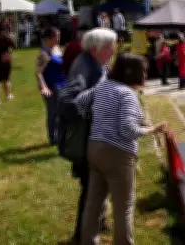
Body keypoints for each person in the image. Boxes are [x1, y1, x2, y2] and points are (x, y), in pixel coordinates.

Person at [74, 53, 167, 245]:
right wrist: (152, 129)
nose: (146, 74)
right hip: (117, 155)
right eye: (144, 70)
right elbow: (128, 130)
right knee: (123, 207)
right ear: (133, 73)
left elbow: (80, 101)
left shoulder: (103, 86)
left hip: (94, 149)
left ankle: (87, 241)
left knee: (93, 204)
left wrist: (93, 119)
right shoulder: (128, 95)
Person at [58, 28, 117, 244]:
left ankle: (98, 222)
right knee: (91, 190)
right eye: (109, 47)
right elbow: (67, 102)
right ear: (95, 49)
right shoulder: (83, 66)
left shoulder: (96, 64)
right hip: (86, 141)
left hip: (96, 138)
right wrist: (96, 104)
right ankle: (82, 236)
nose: (113, 51)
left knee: (99, 184)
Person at [36, 27, 66, 145]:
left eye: (58, 36)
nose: (58, 38)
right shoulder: (44, 53)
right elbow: (38, 72)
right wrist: (44, 87)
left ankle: (60, 135)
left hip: (62, 84)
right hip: (52, 86)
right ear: (49, 38)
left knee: (61, 112)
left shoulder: (58, 49)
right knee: (53, 112)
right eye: (55, 36)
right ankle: (53, 138)